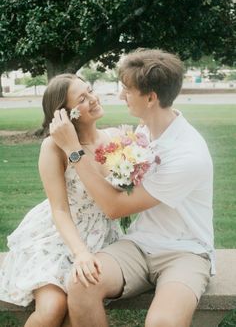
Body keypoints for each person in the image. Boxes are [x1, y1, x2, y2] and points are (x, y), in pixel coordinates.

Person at [50, 49, 214, 327]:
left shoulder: (188, 155)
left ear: (151, 98)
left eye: (127, 90)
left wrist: (73, 151)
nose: (120, 96)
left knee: (162, 323)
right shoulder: (144, 131)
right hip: (139, 245)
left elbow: (115, 208)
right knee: (81, 285)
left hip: (185, 252)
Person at [0, 74, 122, 327]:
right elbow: (59, 209)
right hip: (57, 236)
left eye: (90, 91)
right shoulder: (53, 147)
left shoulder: (114, 139)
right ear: (64, 114)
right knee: (53, 307)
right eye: (82, 98)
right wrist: (80, 253)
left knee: (77, 305)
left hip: (102, 236)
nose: (93, 99)